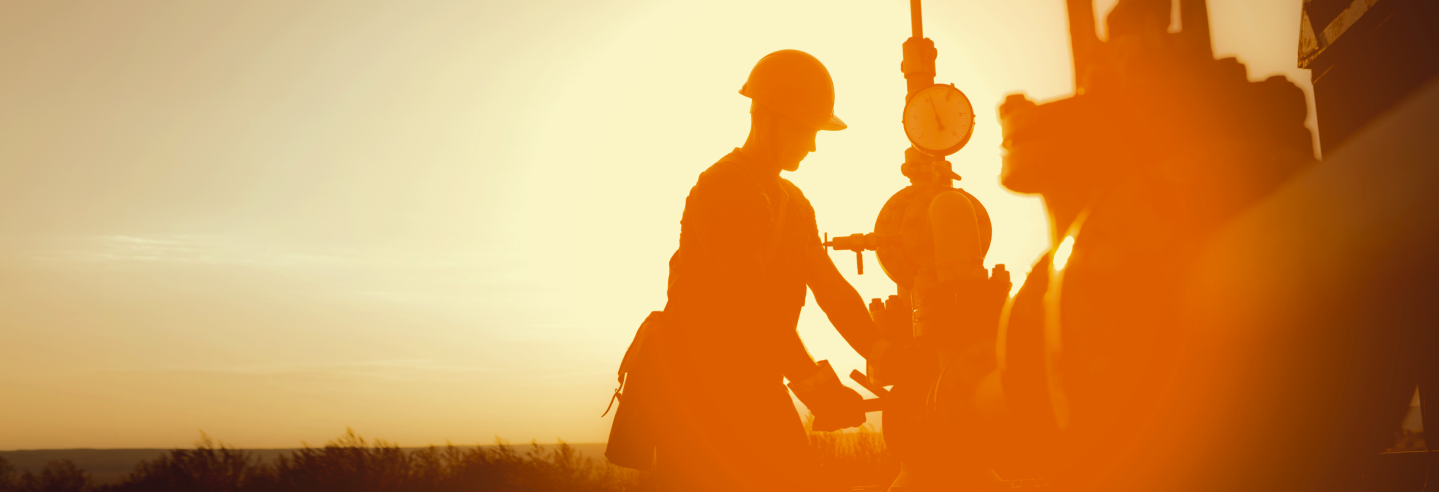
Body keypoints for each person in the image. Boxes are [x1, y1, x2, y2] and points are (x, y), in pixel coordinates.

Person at [650, 49, 882, 492]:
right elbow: (752, 306)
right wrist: (819, 388)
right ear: (767, 117)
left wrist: (883, 350)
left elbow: (831, 289)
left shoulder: (794, 203)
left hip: (757, 388)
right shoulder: (724, 188)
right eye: (806, 130)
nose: (813, 145)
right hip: (699, 403)